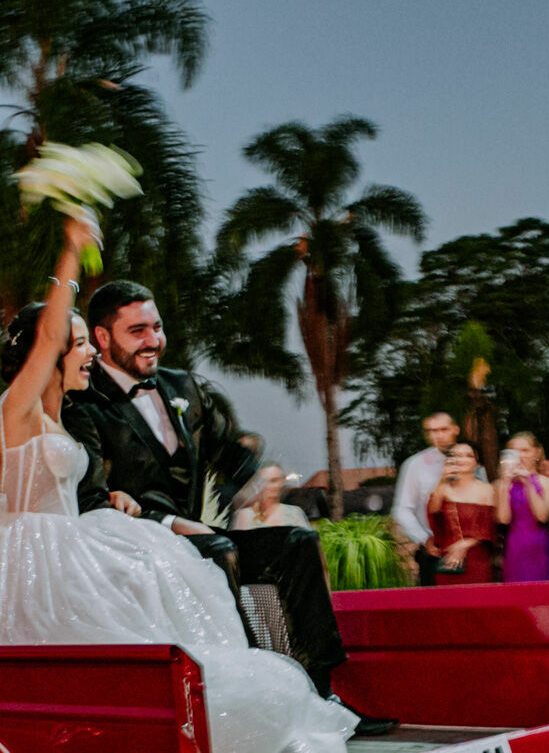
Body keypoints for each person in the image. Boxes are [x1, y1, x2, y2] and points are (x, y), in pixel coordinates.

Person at [0, 219, 355, 753]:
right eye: (79, 341)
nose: (86, 352)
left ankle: (287, 691)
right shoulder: (20, 407)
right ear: (54, 348)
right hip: (35, 557)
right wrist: (71, 253)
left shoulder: (60, 415)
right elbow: (48, 343)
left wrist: (114, 495)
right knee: (157, 576)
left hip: (70, 541)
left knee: (168, 569)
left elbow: (64, 479)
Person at [63, 279, 375, 730]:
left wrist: (253, 479)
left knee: (296, 542)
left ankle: (322, 694)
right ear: (102, 337)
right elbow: (91, 501)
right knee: (218, 552)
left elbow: (230, 450)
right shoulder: (83, 405)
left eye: (157, 326)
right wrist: (173, 524)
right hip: (140, 555)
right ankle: (256, 700)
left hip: (203, 541)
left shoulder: (181, 384)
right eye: (138, 331)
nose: (154, 341)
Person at [391, 411, 461, 585]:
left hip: (469, 551)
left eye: (443, 429)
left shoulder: (471, 460)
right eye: (431, 431)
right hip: (433, 552)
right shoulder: (415, 464)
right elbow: (402, 509)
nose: (437, 435)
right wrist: (424, 538)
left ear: (455, 429)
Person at [426, 442, 497, 584]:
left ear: (476, 463)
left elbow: (490, 528)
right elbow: (432, 514)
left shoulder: (487, 489)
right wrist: (442, 479)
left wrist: (465, 544)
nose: (462, 459)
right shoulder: (443, 488)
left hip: (476, 557)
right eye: (457, 456)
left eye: (468, 455)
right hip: (448, 558)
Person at [497, 432, 549, 582]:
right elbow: (503, 519)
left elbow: (542, 516)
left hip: (539, 544)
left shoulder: (548, 482)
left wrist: (528, 482)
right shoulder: (502, 483)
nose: (520, 456)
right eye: (514, 451)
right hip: (514, 544)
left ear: (536, 453)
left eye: (525, 450)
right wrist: (505, 482)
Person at [230, 463, 312, 531]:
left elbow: (307, 545)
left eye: (274, 480)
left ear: (282, 483)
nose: (268, 486)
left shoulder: (294, 514)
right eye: (263, 481)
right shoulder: (244, 515)